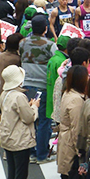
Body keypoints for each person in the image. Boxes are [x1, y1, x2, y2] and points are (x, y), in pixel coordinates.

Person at [18, 15, 56, 164]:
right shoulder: (49, 45)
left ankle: (32, 152)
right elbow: (54, 61)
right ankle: (41, 155)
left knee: (30, 120)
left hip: (26, 85)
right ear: (46, 28)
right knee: (44, 121)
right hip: (43, 85)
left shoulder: (22, 43)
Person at [0, 65, 39, 179]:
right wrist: (34, 106)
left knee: (12, 172)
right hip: (19, 140)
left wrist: (27, 105)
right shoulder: (19, 96)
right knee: (21, 175)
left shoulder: (4, 94)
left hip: (8, 137)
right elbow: (29, 118)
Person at [58, 65, 89, 179]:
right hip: (70, 146)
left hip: (65, 140)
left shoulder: (68, 93)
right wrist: (80, 151)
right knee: (71, 178)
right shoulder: (76, 100)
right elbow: (77, 129)